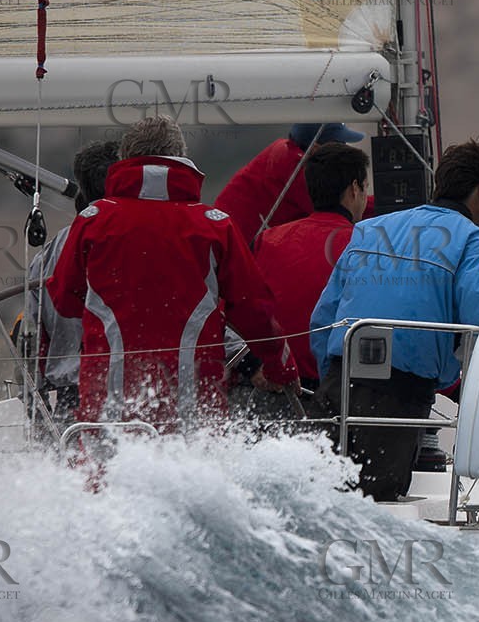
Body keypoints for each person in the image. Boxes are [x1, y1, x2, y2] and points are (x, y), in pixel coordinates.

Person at [309, 136, 479, 501]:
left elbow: (322, 318)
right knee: (376, 500)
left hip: (338, 379)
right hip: (400, 393)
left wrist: (329, 376)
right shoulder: (470, 238)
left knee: (318, 491)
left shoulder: (370, 228)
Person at [47, 116, 298, 431]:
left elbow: (63, 302)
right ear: (182, 157)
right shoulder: (215, 225)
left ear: (125, 160)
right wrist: (281, 367)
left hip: (106, 409)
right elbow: (255, 310)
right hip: (195, 410)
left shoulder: (92, 222)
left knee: (103, 476)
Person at [250, 142, 371, 392]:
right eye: (365, 187)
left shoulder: (267, 240)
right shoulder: (367, 245)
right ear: (354, 189)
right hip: (336, 391)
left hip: (272, 385)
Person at [18, 139, 118, 413]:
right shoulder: (150, 239)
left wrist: (33, 402)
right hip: (135, 391)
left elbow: (31, 337)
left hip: (69, 399)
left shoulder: (48, 256)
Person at [214, 123, 370, 247]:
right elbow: (339, 205)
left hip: (229, 240)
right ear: (315, 148)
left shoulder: (284, 153)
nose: (344, 149)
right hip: (233, 247)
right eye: (339, 145)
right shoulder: (295, 168)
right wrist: (389, 204)